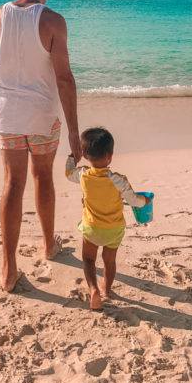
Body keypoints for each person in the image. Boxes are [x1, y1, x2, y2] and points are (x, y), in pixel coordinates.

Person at [0, 0, 82, 292]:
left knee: (13, 184)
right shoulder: (53, 20)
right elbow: (64, 78)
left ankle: (8, 270)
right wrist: (75, 133)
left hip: (7, 116)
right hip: (42, 115)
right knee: (42, 177)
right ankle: (49, 245)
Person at [65, 126, 150, 311]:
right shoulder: (118, 179)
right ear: (110, 155)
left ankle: (94, 289)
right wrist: (147, 200)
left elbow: (68, 173)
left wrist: (72, 157)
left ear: (85, 154)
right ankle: (107, 290)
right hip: (114, 229)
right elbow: (134, 200)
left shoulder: (82, 175)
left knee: (88, 260)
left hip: (91, 227)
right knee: (109, 261)